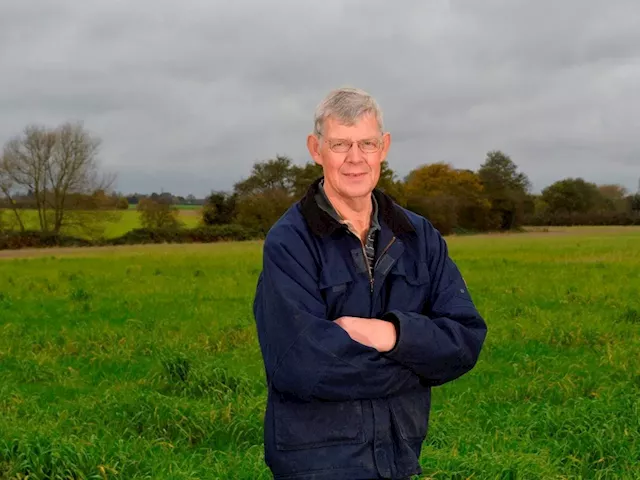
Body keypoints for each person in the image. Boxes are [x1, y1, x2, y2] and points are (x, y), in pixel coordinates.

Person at [253, 87, 487, 480]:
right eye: (340, 144)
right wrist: (418, 362)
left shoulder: (418, 235)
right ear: (316, 148)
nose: (355, 158)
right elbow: (302, 366)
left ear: (385, 146)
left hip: (398, 456)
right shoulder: (290, 241)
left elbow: (464, 339)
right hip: (316, 461)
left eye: (367, 143)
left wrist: (392, 335)